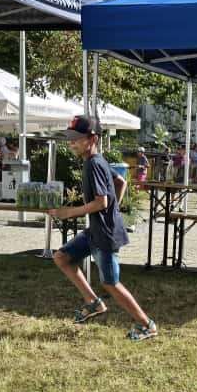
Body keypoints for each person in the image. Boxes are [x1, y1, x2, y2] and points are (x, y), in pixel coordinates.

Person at [48, 116, 157, 341]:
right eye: (70, 139)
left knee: (110, 283)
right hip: (97, 230)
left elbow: (101, 202)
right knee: (61, 257)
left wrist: (69, 212)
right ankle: (93, 303)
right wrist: (113, 212)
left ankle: (147, 325)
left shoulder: (94, 164)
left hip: (105, 234)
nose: (72, 143)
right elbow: (121, 182)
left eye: (77, 139)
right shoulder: (97, 161)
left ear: (92, 139)